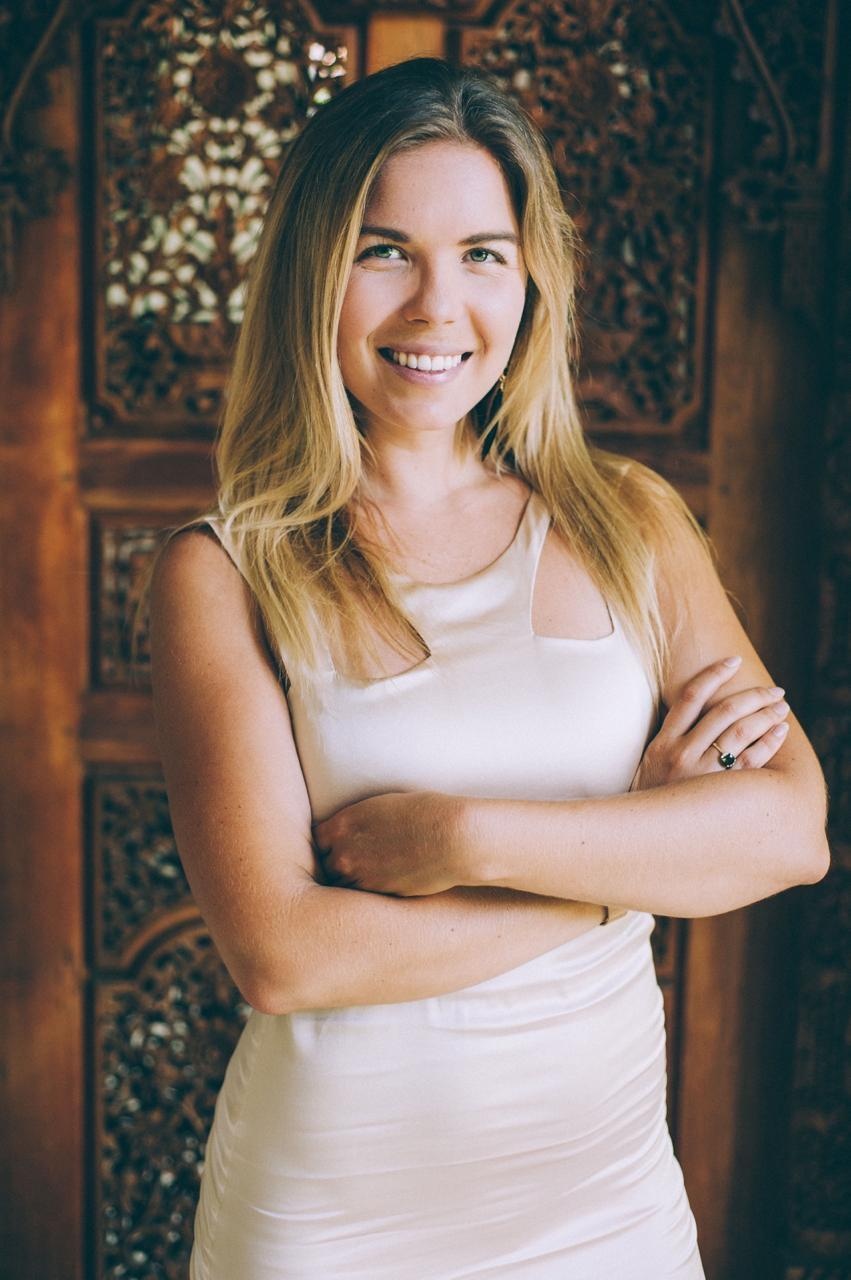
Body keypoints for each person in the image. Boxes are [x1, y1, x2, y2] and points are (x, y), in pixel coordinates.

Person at [150, 57, 829, 1280]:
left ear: (530, 280)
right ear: (313, 271)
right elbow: (286, 953)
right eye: (383, 251)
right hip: (331, 1223)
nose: (436, 306)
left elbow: (787, 829)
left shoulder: (627, 519)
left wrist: (463, 836)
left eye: (481, 253)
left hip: (606, 1211)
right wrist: (632, 861)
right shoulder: (224, 569)